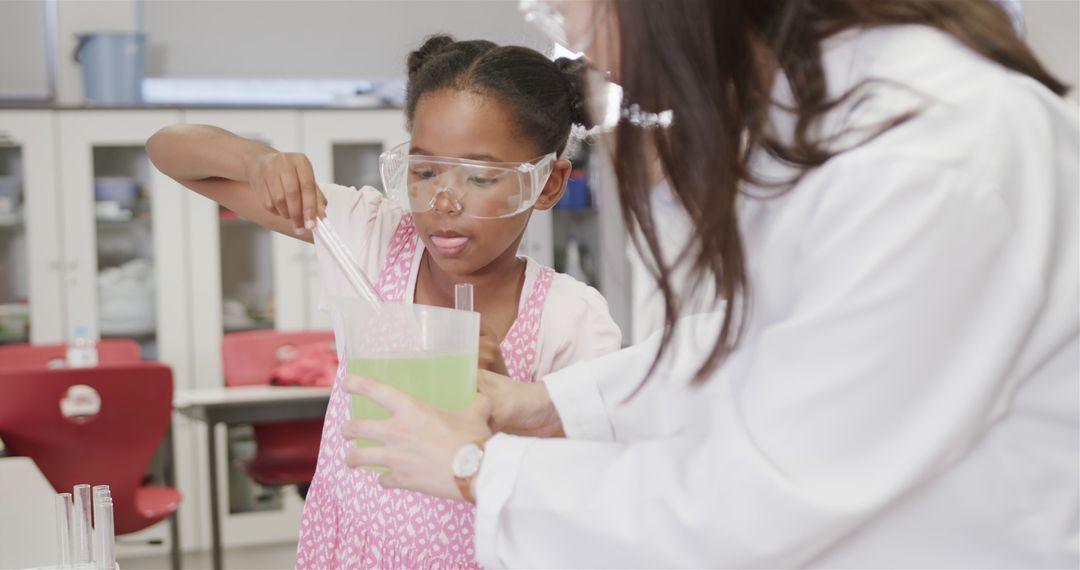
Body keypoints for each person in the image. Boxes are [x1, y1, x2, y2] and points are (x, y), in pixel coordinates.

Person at [337, 0, 1080, 567]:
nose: (580, 46)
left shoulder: (925, 155)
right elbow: (766, 341)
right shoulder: (831, 118)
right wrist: (549, 405)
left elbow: (763, 493)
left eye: (572, 13)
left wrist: (478, 470)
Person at [146, 34, 622, 569]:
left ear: (548, 185)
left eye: (482, 177)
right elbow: (169, 148)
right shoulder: (367, 236)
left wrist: (508, 400)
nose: (443, 201)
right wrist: (258, 161)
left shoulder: (572, 317)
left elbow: (592, 493)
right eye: (423, 172)